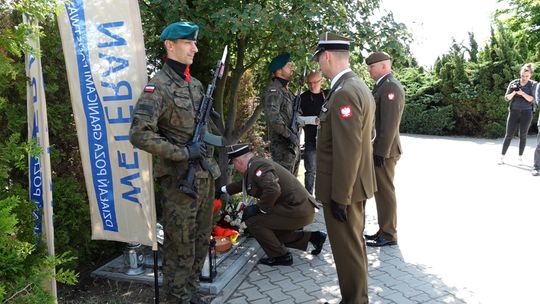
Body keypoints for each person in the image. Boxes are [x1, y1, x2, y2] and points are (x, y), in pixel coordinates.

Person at [129, 22, 222, 304]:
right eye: (187, 43)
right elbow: (139, 134)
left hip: (204, 177)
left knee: (201, 239)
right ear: (170, 45)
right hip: (179, 183)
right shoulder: (157, 87)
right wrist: (183, 152)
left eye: (194, 43)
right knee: (179, 244)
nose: (195, 48)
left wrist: (204, 148)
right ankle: (177, 297)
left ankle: (191, 292)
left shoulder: (195, 86)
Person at [313, 32, 376, 304]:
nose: (318, 67)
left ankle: (355, 300)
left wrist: (340, 196)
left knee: (347, 249)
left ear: (327, 56)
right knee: (354, 246)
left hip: (344, 189)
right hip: (354, 185)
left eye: (319, 60)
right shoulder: (357, 86)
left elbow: (348, 150)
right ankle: (356, 297)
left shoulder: (344, 93)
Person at [216, 144, 326, 266]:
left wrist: (260, 208)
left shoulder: (258, 166)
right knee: (269, 233)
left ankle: (281, 256)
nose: (235, 167)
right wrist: (222, 190)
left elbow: (273, 189)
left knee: (253, 221)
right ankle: (313, 237)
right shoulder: (255, 165)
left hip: (297, 210)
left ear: (238, 161)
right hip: (299, 209)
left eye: (234, 164)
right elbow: (245, 183)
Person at [364, 51, 405, 248]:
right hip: (383, 148)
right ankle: (384, 229)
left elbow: (389, 123)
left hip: (386, 150)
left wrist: (380, 150)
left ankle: (389, 234)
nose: (369, 70)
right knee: (381, 192)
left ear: (383, 66)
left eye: (372, 66)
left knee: (385, 192)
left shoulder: (389, 86)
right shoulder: (383, 85)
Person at [262, 53, 300, 173]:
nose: (291, 68)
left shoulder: (287, 91)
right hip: (281, 149)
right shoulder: (274, 91)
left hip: (291, 147)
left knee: (292, 188)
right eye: (288, 66)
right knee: (283, 187)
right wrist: (290, 135)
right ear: (279, 70)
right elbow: (274, 119)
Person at [498, 63, 536, 165]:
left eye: (527, 76)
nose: (524, 78)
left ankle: (520, 158)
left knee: (523, 135)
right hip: (514, 111)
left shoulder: (533, 84)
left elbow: (532, 99)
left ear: (530, 75)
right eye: (522, 76)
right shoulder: (514, 83)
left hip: (527, 112)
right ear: (520, 74)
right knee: (508, 134)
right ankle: (502, 157)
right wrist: (514, 92)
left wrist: (522, 93)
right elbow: (507, 98)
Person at [299, 71, 328, 195]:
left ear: (322, 81)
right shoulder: (302, 97)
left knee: (326, 170)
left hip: (327, 140)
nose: (312, 85)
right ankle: (309, 196)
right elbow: (296, 119)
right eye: (309, 83)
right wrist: (312, 120)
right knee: (310, 170)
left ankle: (323, 196)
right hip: (310, 140)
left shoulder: (329, 95)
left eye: (315, 82)